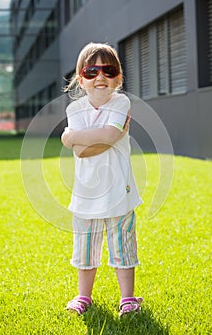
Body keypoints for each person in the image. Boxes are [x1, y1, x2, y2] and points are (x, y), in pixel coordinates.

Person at [61, 42, 143, 317]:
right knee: (85, 252)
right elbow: (83, 152)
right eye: (92, 70)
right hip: (85, 196)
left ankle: (127, 298)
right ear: (80, 78)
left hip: (120, 192)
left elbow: (104, 139)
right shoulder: (75, 110)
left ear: (118, 78)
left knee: (123, 248)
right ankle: (84, 297)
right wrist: (103, 136)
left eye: (109, 71)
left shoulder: (121, 102)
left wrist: (72, 137)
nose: (100, 77)